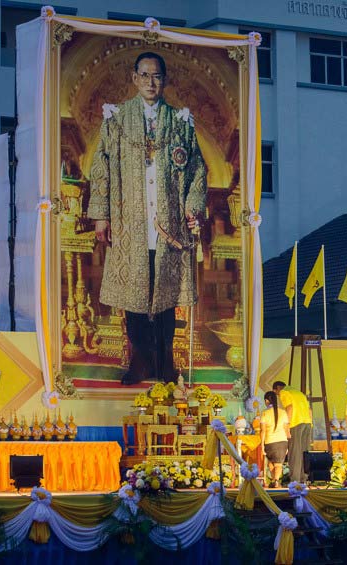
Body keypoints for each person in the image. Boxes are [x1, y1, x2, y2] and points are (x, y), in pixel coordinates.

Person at [89, 51, 207, 385]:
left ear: (164, 80)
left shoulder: (180, 121)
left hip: (169, 225)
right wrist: (101, 215)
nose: (150, 82)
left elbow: (197, 168)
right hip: (130, 225)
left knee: (167, 299)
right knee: (136, 299)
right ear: (134, 78)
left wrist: (191, 206)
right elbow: (101, 167)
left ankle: (165, 362)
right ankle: (139, 361)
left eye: (156, 76)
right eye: (144, 75)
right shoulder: (116, 118)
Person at [273, 381, 312, 482]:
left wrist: (287, 425)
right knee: (305, 452)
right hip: (307, 423)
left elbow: (289, 408)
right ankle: (304, 478)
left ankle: (295, 480)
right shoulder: (299, 393)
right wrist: (311, 424)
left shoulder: (284, 392)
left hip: (295, 423)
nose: (278, 396)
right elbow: (309, 410)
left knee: (295, 452)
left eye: (276, 393)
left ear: (278, 388)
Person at [260, 391, 290, 487]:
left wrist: (262, 446)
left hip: (270, 442)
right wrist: (288, 444)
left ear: (266, 401)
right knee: (278, 464)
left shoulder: (265, 413)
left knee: (271, 463)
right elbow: (286, 429)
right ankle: (276, 481)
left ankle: (274, 481)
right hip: (282, 441)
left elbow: (262, 431)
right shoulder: (283, 412)